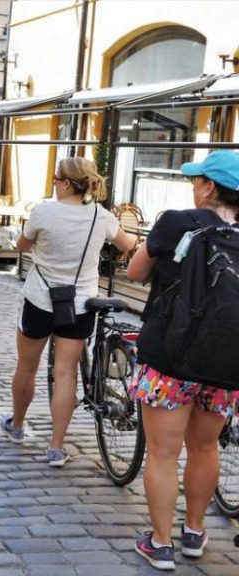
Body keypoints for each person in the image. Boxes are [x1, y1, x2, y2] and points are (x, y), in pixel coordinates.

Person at [126, 150, 239, 571]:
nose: (192, 187)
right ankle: (194, 532)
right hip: (228, 361)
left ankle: (159, 542)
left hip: (169, 360)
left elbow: (136, 273)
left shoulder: (177, 222)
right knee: (205, 445)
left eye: (197, 180)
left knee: (163, 452)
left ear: (209, 187)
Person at [0, 157, 136, 468]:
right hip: (79, 304)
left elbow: (22, 245)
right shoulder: (101, 216)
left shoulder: (44, 210)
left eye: (55, 177)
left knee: (27, 367)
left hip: (39, 300)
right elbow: (127, 243)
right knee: (65, 374)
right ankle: (56, 447)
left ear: (64, 182)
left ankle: (17, 425)